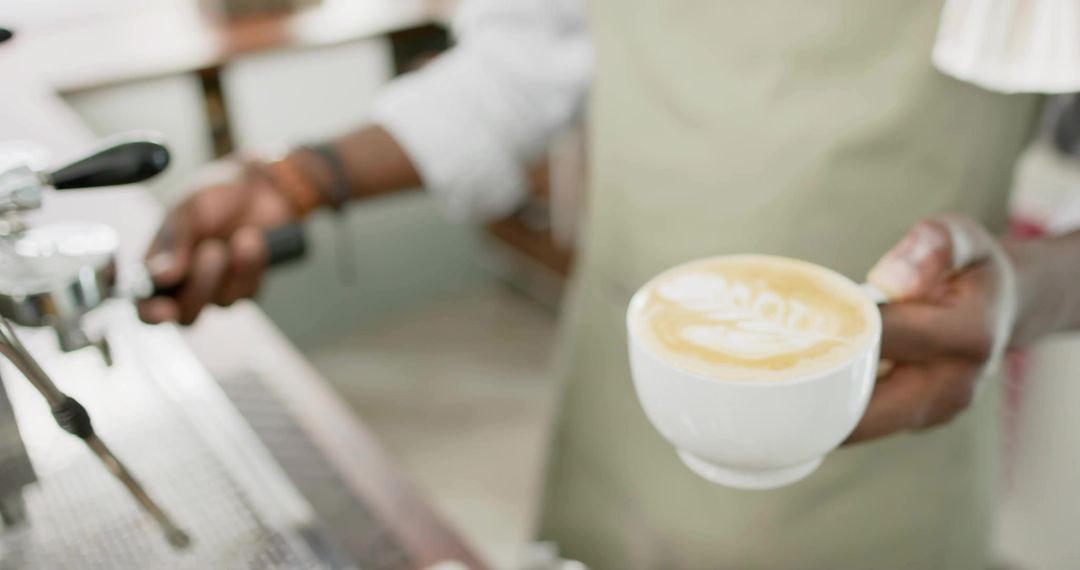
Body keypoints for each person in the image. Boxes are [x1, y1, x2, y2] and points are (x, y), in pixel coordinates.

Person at [138, 0, 1080, 567]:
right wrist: (292, 181)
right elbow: (523, 63)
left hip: (888, 453)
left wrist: (1025, 291)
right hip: (619, 421)